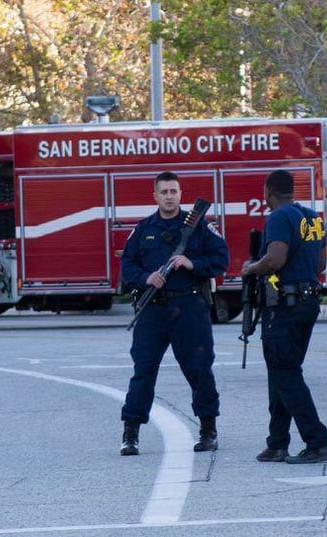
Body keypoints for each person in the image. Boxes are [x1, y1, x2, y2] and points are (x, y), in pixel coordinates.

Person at [119, 171, 229, 456]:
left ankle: (208, 430)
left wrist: (192, 263)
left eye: (174, 191)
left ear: (181, 194)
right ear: (154, 196)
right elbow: (127, 266)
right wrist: (147, 278)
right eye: (164, 192)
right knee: (143, 371)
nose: (169, 196)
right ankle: (130, 432)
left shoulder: (198, 226)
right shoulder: (144, 229)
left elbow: (221, 260)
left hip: (189, 307)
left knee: (198, 370)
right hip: (152, 309)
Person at [241, 169, 327, 464]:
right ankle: (277, 442)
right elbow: (320, 262)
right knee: (282, 370)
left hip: (286, 306)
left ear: (269, 191)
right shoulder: (312, 218)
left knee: (285, 371)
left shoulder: (279, 218)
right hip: (307, 301)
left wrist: (251, 267)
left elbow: (275, 259)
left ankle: (318, 441)